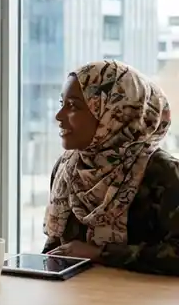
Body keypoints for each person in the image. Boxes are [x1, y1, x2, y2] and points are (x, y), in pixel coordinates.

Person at [43, 59, 179, 276]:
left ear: (114, 113)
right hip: (75, 302)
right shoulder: (66, 168)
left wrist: (100, 254)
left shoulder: (163, 174)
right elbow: (55, 250)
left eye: (73, 106)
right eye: (62, 104)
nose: (58, 117)